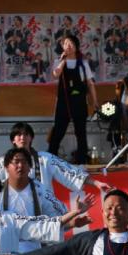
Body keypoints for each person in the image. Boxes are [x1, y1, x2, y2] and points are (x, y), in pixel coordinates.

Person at [0, 146, 74, 254]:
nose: (20, 166)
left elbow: (58, 217)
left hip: (34, 252)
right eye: (16, 162)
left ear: (30, 167)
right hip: (5, 252)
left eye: (24, 162)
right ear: (7, 167)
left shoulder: (40, 190)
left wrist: (73, 219)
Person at [0, 121, 106, 195]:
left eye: (26, 134)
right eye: (19, 135)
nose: (22, 137)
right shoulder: (4, 162)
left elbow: (70, 172)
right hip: (14, 216)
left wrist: (96, 183)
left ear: (31, 138)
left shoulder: (45, 159)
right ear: (13, 140)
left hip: (42, 214)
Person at [49, 33, 99, 164]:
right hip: (63, 102)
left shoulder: (83, 63)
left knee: (81, 133)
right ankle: (50, 160)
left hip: (79, 101)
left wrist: (95, 102)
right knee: (58, 132)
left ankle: (82, 161)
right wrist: (63, 61)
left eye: (71, 43)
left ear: (76, 46)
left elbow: (90, 83)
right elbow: (55, 74)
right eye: (65, 44)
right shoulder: (58, 61)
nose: (68, 46)